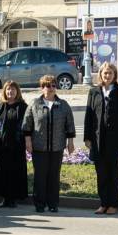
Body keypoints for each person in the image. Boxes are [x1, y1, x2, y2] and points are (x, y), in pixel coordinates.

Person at [83, 62, 118, 215]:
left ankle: (113, 204)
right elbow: (89, 116)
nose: (107, 76)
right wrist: (87, 137)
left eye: (110, 73)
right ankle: (103, 203)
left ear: (114, 75)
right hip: (98, 141)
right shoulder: (94, 92)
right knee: (101, 173)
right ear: (100, 75)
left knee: (115, 174)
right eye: (105, 73)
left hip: (116, 141)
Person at [23, 75, 75, 213]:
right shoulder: (35, 104)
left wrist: (70, 143)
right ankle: (39, 204)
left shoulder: (63, 105)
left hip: (57, 147)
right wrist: (28, 141)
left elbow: (69, 125)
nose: (50, 88)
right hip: (39, 147)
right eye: (47, 85)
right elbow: (27, 125)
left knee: (54, 176)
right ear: (42, 88)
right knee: (40, 176)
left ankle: (53, 203)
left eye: (53, 85)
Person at [0, 80, 28, 208]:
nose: (10, 92)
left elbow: (27, 126)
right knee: (3, 173)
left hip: (16, 145)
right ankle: (5, 198)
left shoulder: (22, 106)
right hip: (1, 145)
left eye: (13, 89)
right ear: (4, 91)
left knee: (15, 172)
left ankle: (13, 199)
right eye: (8, 89)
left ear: (17, 91)